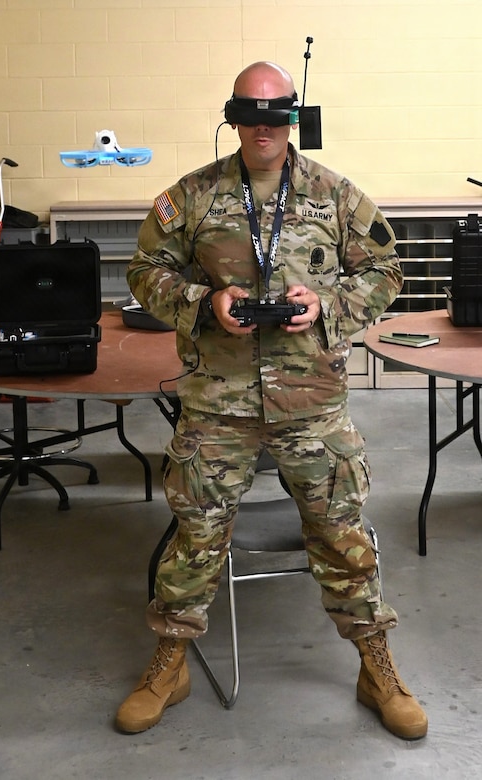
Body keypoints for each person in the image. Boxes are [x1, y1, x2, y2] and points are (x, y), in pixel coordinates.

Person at [116, 61, 428, 741]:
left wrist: (326, 305)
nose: (264, 125)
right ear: (233, 117)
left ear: (293, 117)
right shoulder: (194, 195)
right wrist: (205, 302)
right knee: (196, 535)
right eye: (250, 112)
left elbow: (386, 268)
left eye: (277, 111)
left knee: (341, 534)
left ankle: (376, 666)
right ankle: (170, 664)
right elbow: (144, 269)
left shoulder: (334, 194)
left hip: (310, 400)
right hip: (219, 402)